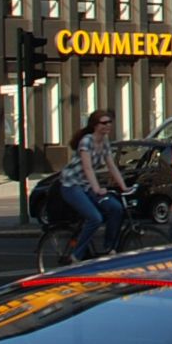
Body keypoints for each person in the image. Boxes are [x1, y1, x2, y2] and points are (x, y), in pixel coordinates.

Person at [56, 111, 131, 258]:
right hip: (72, 185)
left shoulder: (104, 141)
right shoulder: (87, 141)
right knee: (95, 218)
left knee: (116, 208)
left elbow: (111, 166)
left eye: (109, 122)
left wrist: (124, 187)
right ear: (95, 125)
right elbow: (87, 167)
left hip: (86, 185)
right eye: (104, 123)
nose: (108, 125)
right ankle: (76, 255)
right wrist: (96, 188)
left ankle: (109, 248)